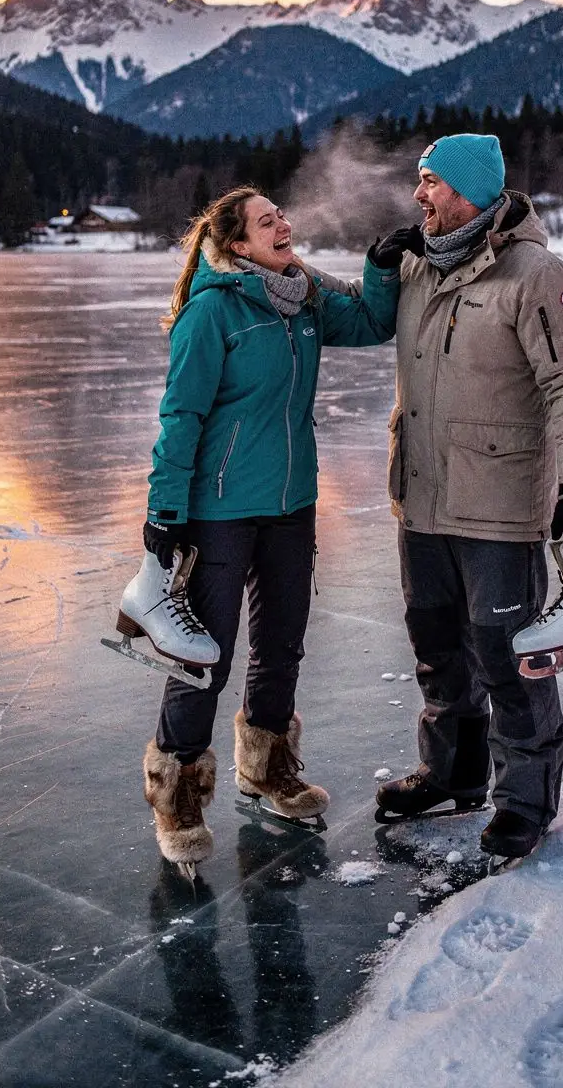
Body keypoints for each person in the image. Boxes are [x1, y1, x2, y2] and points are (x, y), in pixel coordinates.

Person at [133, 186, 401, 874]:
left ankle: (267, 766)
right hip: (219, 508)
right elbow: (181, 416)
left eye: (281, 212)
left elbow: (374, 323)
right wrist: (165, 513)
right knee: (204, 656)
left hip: (291, 502)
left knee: (283, 642)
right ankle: (178, 790)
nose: (284, 222)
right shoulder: (213, 312)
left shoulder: (303, 302)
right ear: (236, 246)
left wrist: (378, 264)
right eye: (266, 220)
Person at [369, 133, 563, 860]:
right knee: (438, 651)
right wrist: (378, 272)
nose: (420, 197)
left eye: (433, 183)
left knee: (509, 659)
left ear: (471, 190)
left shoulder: (535, 274)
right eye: (420, 182)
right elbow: (362, 319)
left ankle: (525, 801)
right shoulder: (415, 266)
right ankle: (454, 772)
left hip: (500, 506)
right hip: (423, 500)